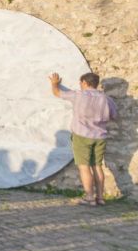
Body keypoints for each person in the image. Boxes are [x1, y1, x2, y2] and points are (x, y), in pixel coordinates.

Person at [50, 72, 118, 206]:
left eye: (81, 83)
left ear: (85, 83)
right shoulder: (106, 99)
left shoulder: (78, 95)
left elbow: (58, 93)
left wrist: (54, 83)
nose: (80, 85)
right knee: (97, 166)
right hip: (100, 137)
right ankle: (100, 198)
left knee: (84, 167)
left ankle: (89, 197)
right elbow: (114, 115)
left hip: (82, 136)